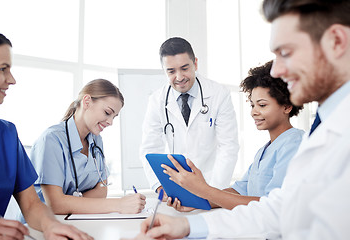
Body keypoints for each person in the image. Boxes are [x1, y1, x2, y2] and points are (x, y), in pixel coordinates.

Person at [134, 0, 350, 239]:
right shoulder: (324, 128)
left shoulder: (316, 134)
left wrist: (205, 191)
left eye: (286, 53)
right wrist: (188, 225)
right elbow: (281, 207)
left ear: (337, 42)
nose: (276, 71)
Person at [0, 29, 92, 240]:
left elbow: (31, 204)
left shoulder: (6, 135)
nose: (12, 79)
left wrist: (50, 225)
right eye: (2, 69)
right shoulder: (51, 138)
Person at [164, 60, 304, 212]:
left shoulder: (294, 144)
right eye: (252, 105)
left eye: (262, 105)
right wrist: (196, 200)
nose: (253, 112)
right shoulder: (264, 151)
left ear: (287, 106)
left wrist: (203, 190)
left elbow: (272, 204)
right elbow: (239, 191)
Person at [29, 79, 146, 215]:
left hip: (75, 221)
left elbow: (102, 190)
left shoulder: (96, 141)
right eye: (108, 113)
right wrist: (119, 204)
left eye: (114, 116)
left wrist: (69, 203)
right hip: (41, 226)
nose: (110, 122)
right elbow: (55, 204)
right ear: (87, 102)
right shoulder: (52, 140)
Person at [140, 37, 239, 197]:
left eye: (184, 68)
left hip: (212, 184)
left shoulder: (219, 94)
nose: (179, 77)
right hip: (175, 189)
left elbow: (228, 146)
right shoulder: (157, 100)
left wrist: (212, 193)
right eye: (171, 71)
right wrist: (160, 186)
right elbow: (150, 148)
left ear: (196, 64)